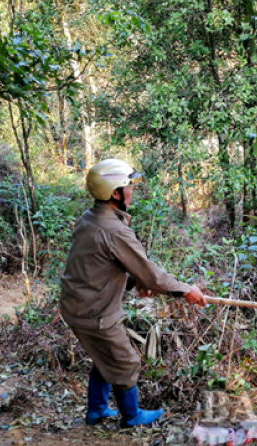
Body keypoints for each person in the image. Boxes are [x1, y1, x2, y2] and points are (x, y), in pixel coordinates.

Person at [60, 159, 207, 427]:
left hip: (77, 304)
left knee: (104, 358)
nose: (132, 192)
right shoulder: (114, 230)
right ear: (114, 192)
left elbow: (98, 265)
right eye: (129, 186)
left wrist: (131, 281)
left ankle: (96, 411)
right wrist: (185, 289)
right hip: (94, 312)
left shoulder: (89, 218)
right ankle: (132, 417)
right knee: (126, 363)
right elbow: (152, 273)